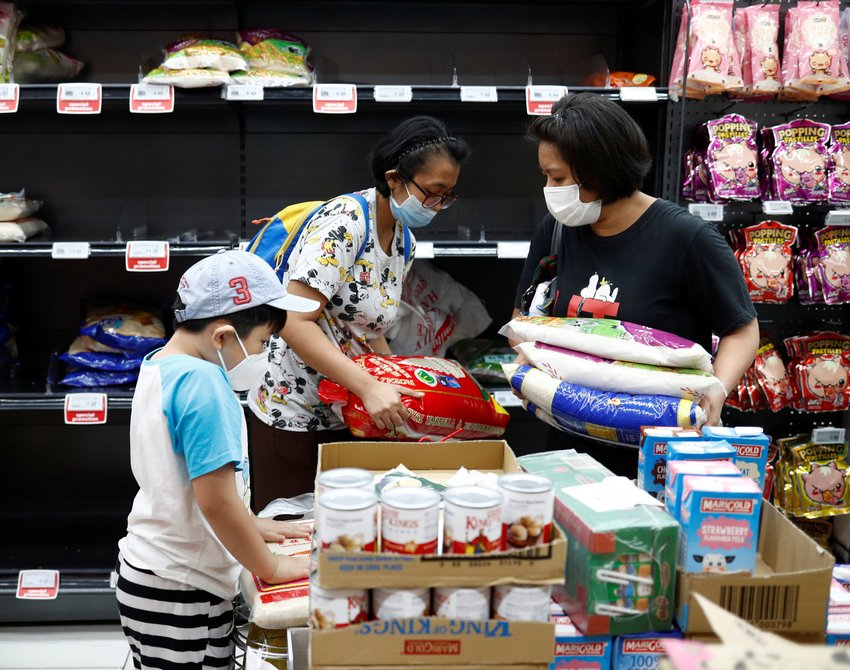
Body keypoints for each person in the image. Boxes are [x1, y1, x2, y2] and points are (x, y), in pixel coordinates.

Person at [511, 93, 759, 477]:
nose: (549, 188)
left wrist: (718, 389)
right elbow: (523, 321)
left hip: (657, 453)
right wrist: (530, 367)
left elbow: (741, 329)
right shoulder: (557, 230)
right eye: (546, 175)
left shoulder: (687, 239)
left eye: (557, 178)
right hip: (567, 444)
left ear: (599, 172)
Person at [248, 116, 470, 512]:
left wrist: (401, 388)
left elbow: (370, 327)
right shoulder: (345, 223)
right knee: (291, 538)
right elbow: (294, 321)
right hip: (295, 413)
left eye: (447, 196)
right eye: (433, 192)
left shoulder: (404, 240)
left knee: (343, 531)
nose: (437, 206)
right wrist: (369, 387)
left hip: (346, 414)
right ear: (394, 178)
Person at [116, 250, 317, 669]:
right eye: (263, 342)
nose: (265, 353)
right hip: (183, 591)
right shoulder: (206, 384)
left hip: (153, 571)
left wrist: (252, 525)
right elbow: (216, 501)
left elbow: (184, 482)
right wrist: (273, 568)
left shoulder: (161, 364)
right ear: (223, 336)